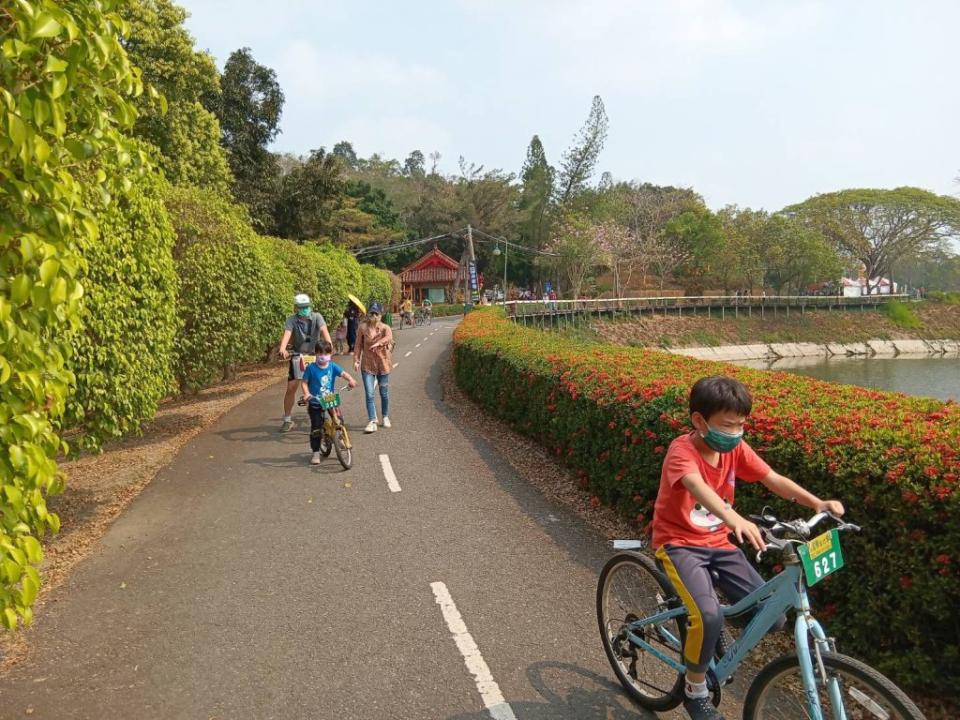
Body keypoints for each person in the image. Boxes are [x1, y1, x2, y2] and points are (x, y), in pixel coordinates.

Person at [650, 375, 844, 720]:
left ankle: (709, 637)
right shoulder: (682, 451)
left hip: (717, 544)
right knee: (707, 616)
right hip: (679, 544)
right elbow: (698, 488)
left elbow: (772, 479)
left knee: (772, 618)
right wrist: (733, 518)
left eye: (742, 424)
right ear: (699, 420)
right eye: (728, 425)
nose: (737, 432)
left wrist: (818, 503)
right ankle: (695, 693)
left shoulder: (736, 448)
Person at [278, 294, 331, 433]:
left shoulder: (317, 317)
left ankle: (327, 418)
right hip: (298, 356)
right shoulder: (291, 320)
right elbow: (287, 334)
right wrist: (283, 349)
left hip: (316, 355)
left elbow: (325, 332)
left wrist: (328, 349)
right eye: (301, 307)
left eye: (306, 306)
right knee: (291, 387)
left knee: (321, 385)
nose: (305, 309)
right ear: (296, 308)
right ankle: (287, 419)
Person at [300, 340, 357, 465]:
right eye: (320, 353)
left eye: (326, 353)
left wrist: (351, 380)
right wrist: (306, 394)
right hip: (315, 401)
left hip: (330, 399)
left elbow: (343, 373)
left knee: (339, 419)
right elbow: (304, 382)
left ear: (330, 354)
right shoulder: (311, 368)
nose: (323, 356)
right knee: (316, 428)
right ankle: (315, 452)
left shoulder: (332, 366)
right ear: (315, 354)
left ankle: (340, 438)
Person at [353, 302, 393, 433]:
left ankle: (385, 416)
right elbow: (358, 345)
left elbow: (389, 338)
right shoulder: (362, 328)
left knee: (384, 393)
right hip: (367, 365)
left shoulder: (385, 328)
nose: (374, 316)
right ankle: (372, 420)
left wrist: (379, 343)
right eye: (372, 313)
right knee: (369, 394)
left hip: (383, 363)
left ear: (381, 315)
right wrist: (356, 360)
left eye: (377, 313)